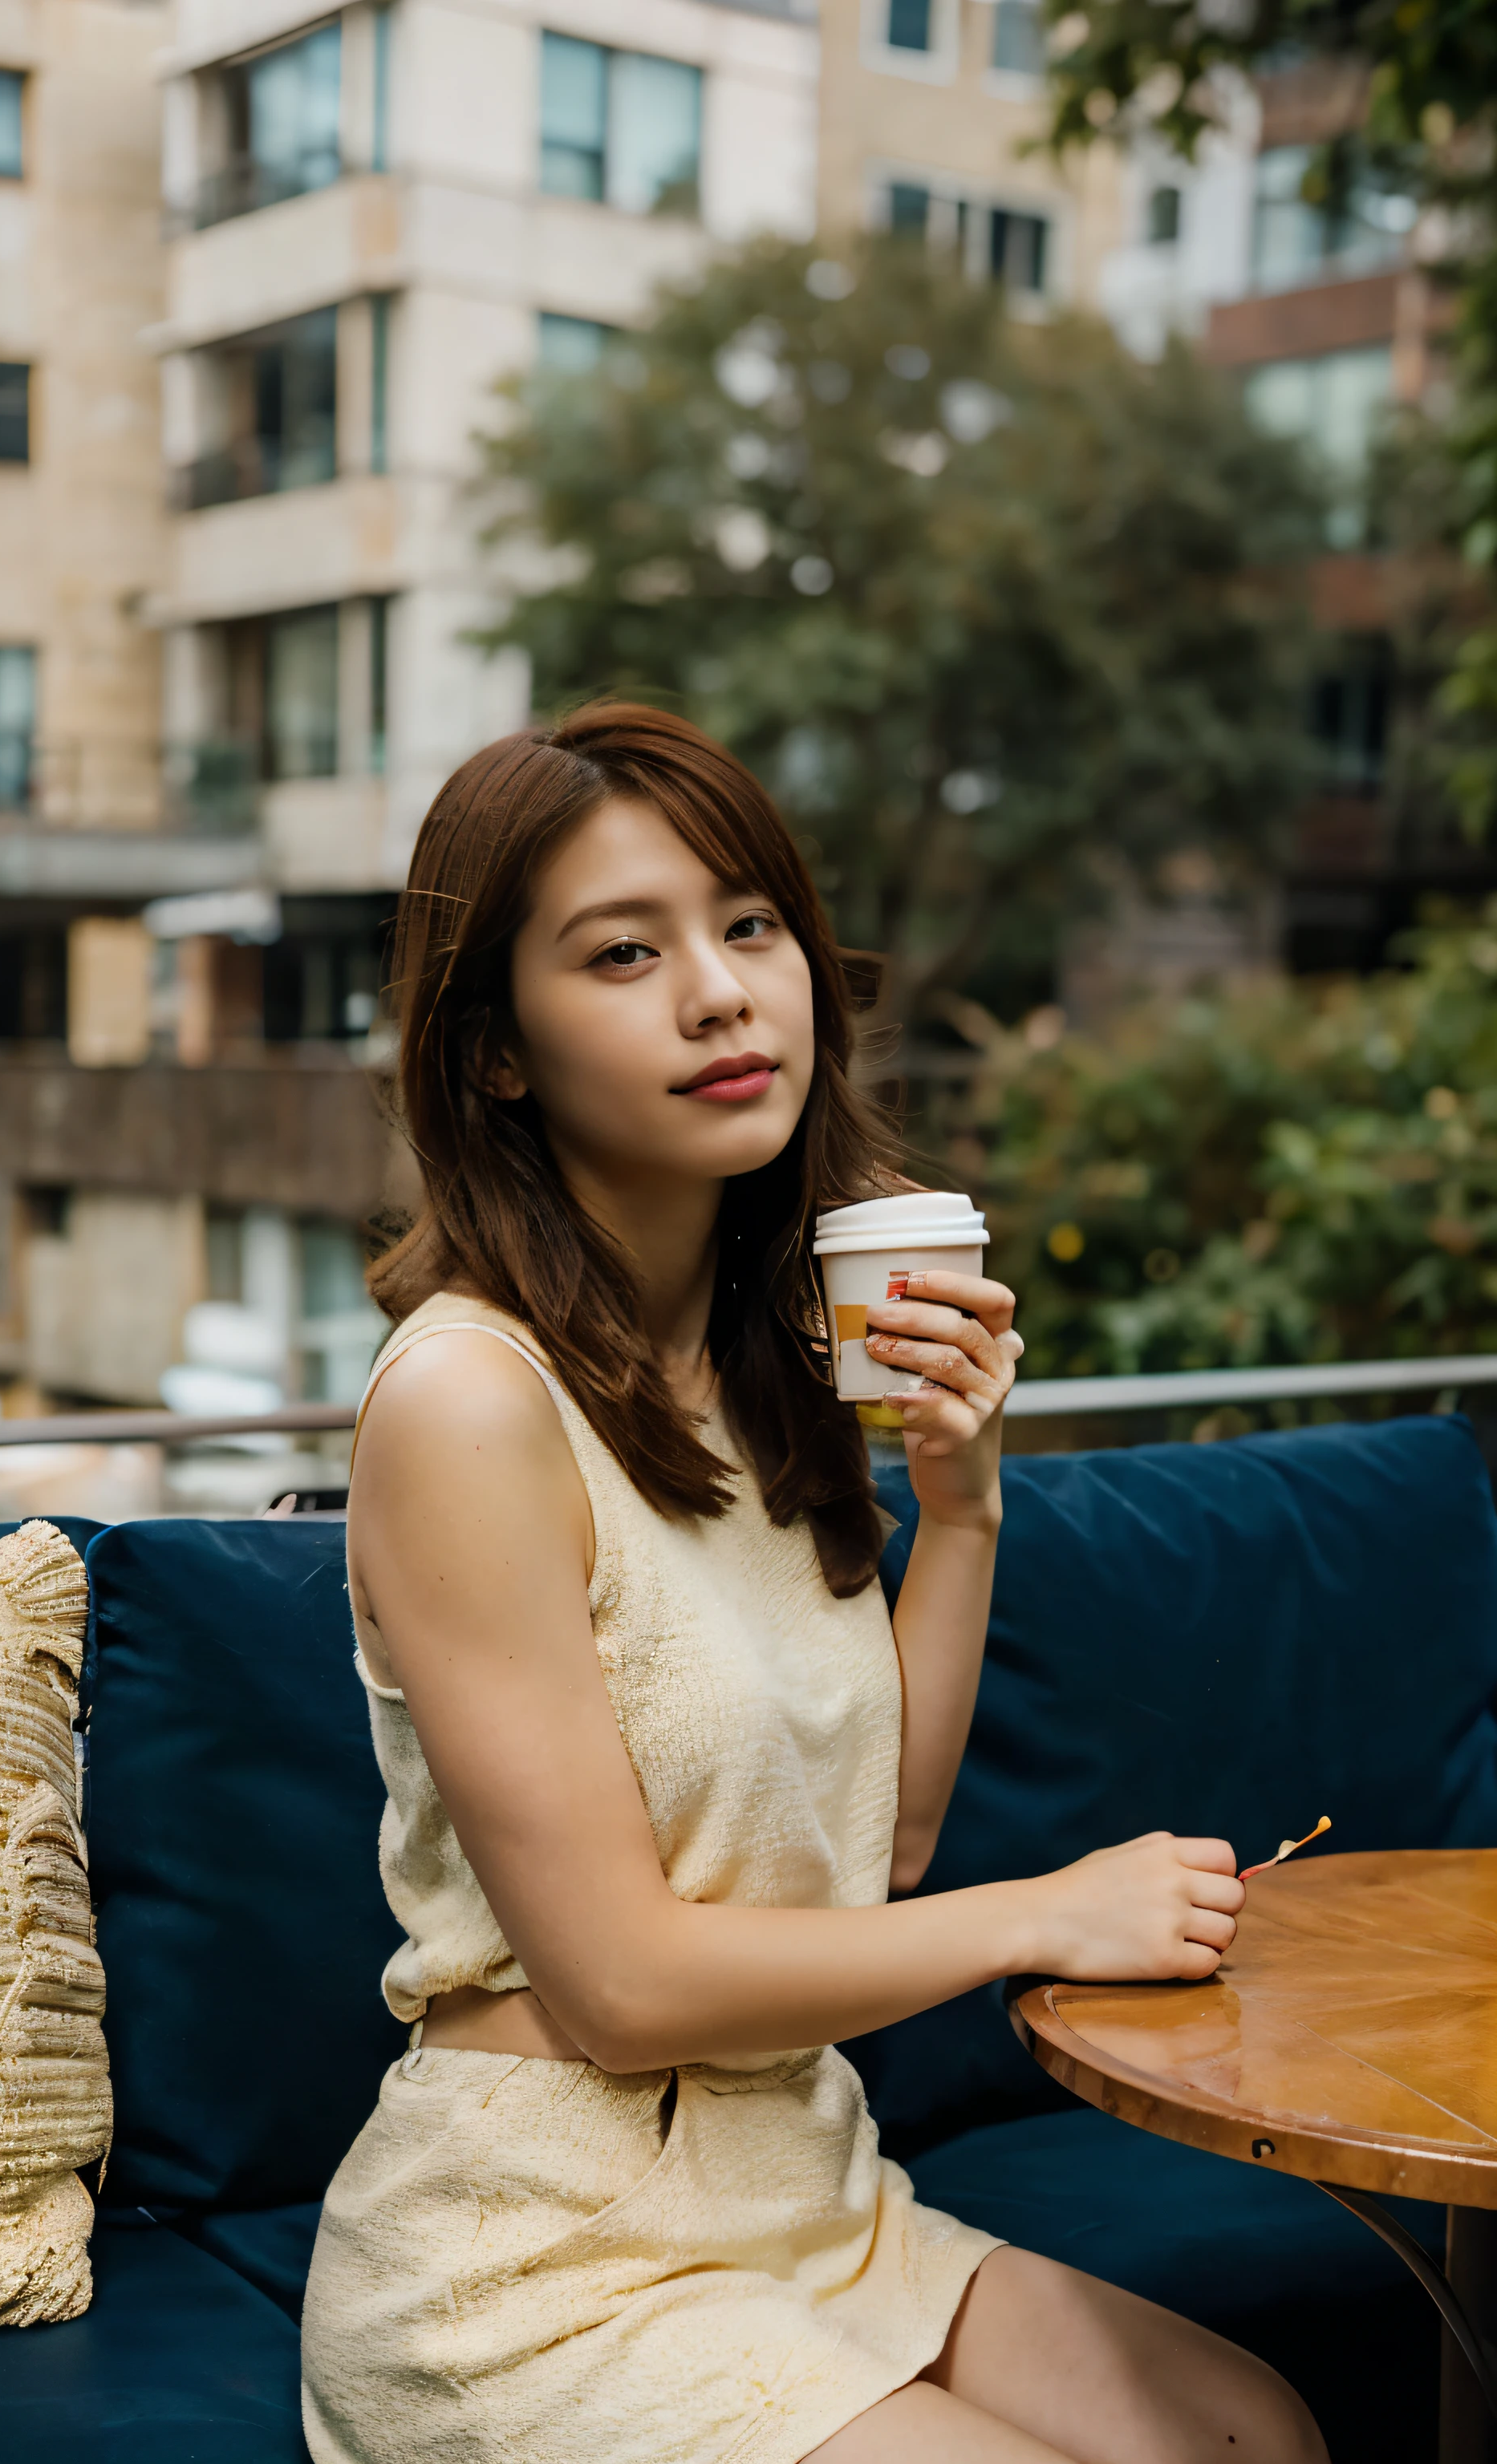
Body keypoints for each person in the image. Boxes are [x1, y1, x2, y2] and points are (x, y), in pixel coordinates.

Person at [299, 705, 1325, 2464]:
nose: (718, 992)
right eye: (624, 953)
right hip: (542, 2257)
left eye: (748, 925)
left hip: (808, 2190)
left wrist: (964, 1499)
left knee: (1254, 2431)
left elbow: (881, 1852)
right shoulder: (471, 1404)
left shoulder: (769, 1362)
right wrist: (1046, 1915)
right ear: (495, 1058)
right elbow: (617, 1984)